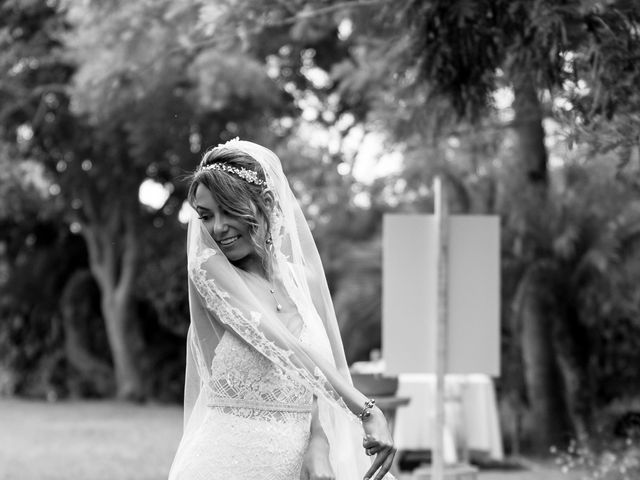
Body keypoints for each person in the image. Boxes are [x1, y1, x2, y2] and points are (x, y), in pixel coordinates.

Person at [168, 138, 396, 480]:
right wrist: (365, 409)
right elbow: (283, 346)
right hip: (221, 465)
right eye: (206, 215)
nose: (217, 228)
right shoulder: (208, 271)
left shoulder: (306, 282)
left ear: (268, 203)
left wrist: (318, 445)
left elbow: (315, 380)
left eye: (229, 210)